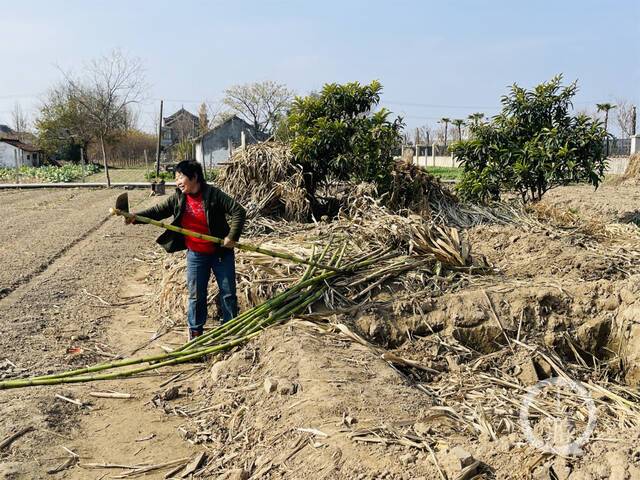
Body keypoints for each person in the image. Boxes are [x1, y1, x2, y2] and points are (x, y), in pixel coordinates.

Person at [128, 160, 246, 340]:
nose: (177, 182)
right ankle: (196, 333)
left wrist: (232, 236)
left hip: (220, 252)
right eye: (176, 178)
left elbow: (238, 210)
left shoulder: (213, 195)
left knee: (228, 292)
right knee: (196, 295)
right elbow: (157, 211)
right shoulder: (178, 197)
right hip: (196, 254)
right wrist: (135, 217)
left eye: (180, 177)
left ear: (194, 177)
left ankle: (230, 329)